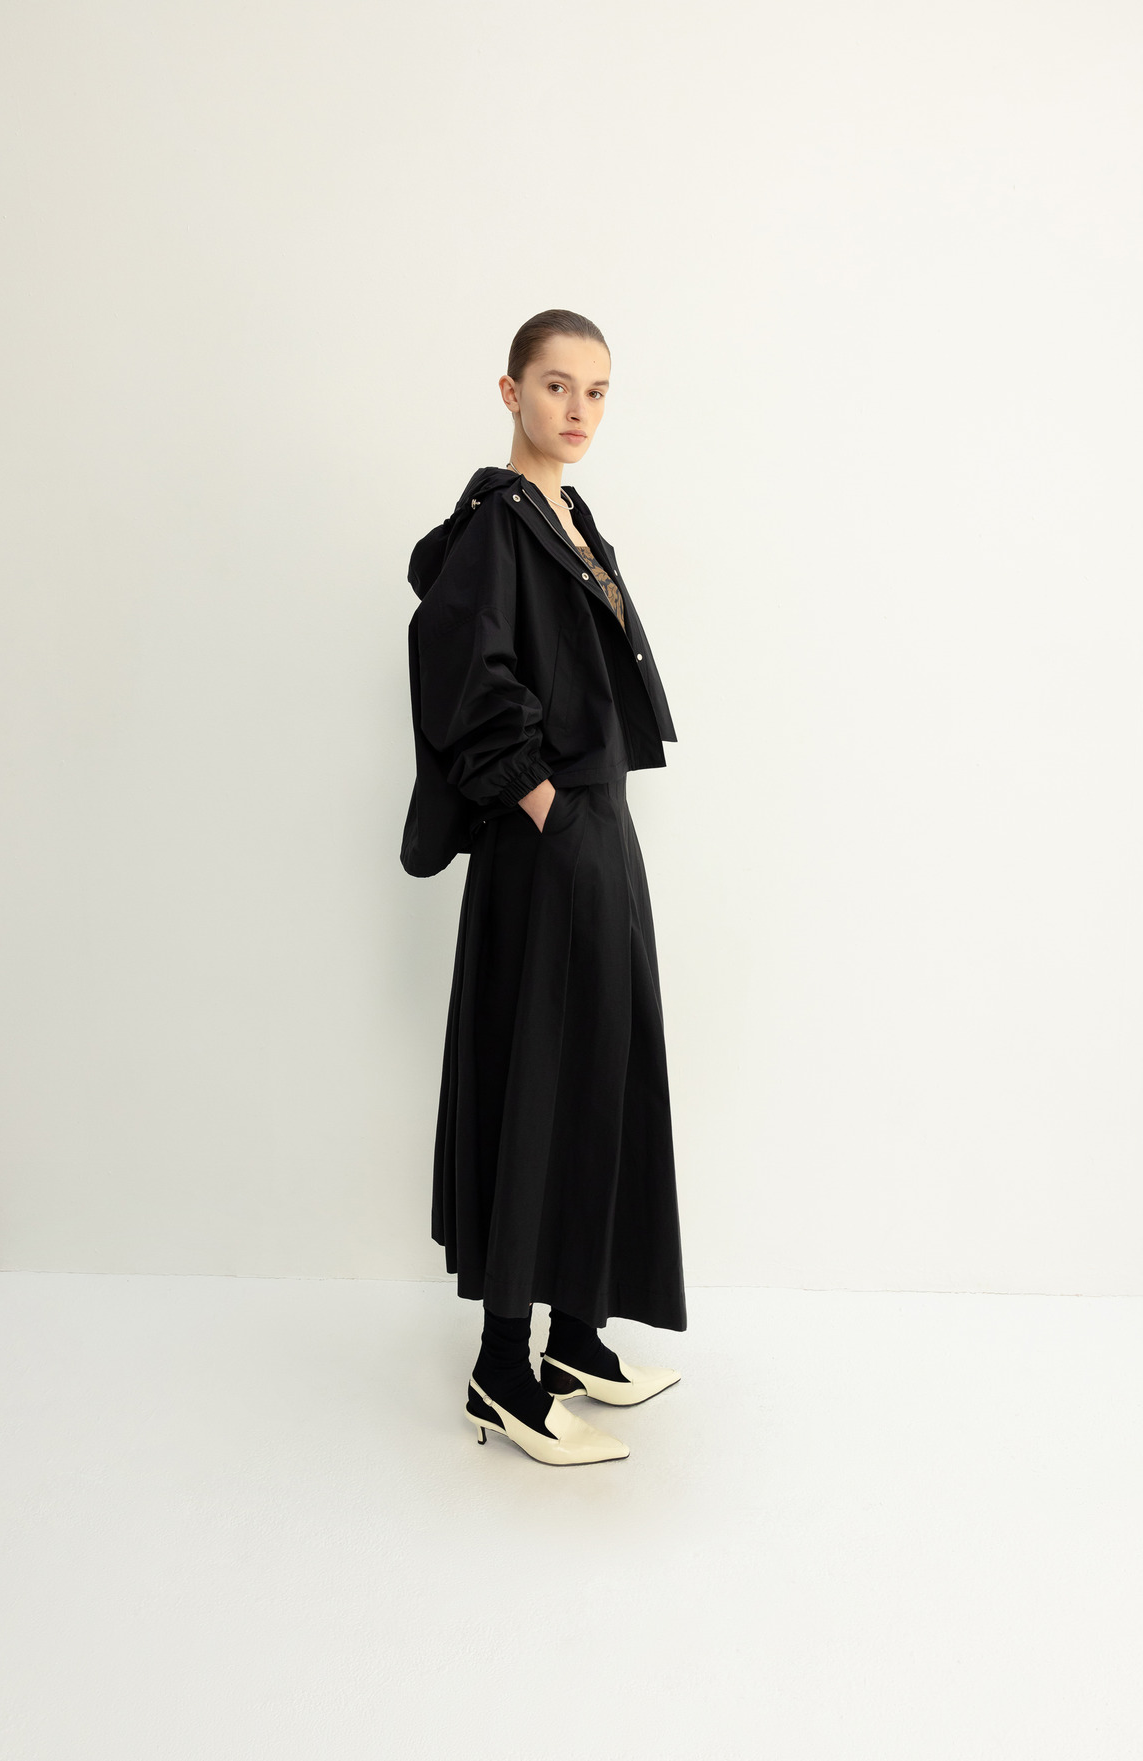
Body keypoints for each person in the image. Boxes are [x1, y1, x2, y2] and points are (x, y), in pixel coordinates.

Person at [400, 308, 686, 1466]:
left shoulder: (573, 523)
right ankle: (502, 1368)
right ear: (511, 391)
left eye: (598, 390)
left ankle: (574, 1335)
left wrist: (587, 819)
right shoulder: (495, 528)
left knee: (602, 1072)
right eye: (557, 385)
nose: (578, 409)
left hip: (601, 828)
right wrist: (547, 811)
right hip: (552, 838)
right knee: (537, 1083)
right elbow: (464, 681)